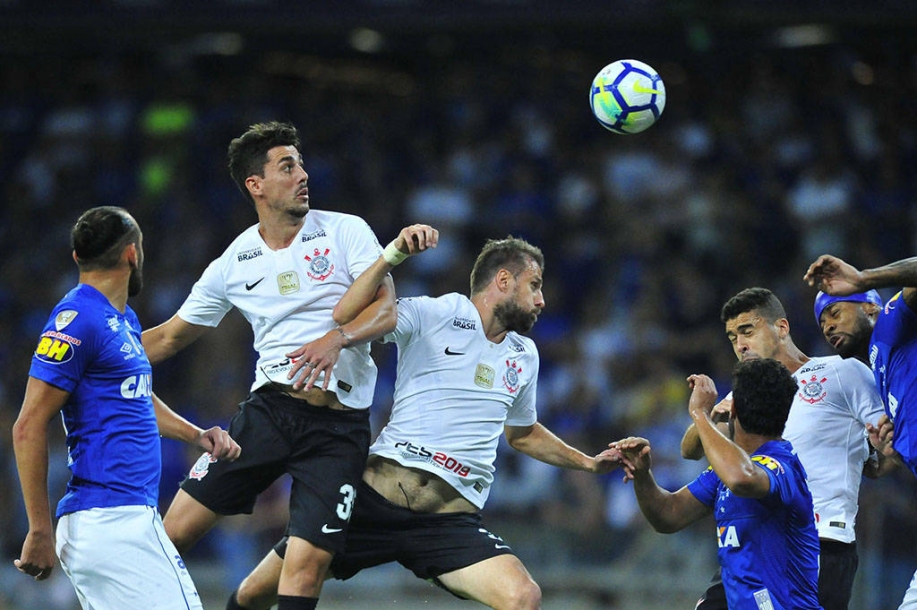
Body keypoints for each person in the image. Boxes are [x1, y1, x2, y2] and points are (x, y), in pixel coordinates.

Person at [225, 236, 623, 610]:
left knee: (523, 597)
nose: (541, 299)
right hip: (370, 505)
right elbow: (355, 312)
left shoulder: (525, 355)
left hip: (447, 524)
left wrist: (586, 462)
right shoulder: (438, 312)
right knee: (253, 595)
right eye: (534, 285)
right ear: (503, 280)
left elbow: (522, 433)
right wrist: (388, 263)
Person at [140, 120, 439, 610]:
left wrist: (337, 339)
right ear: (255, 185)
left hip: (338, 430)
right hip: (267, 415)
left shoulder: (345, 231)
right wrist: (100, 353)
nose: (302, 174)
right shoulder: (235, 261)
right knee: (170, 535)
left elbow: (387, 310)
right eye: (287, 166)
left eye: (300, 163)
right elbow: (171, 336)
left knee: (305, 569)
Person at [12, 206, 241, 609]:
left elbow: (131, 395)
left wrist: (195, 434)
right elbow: (28, 425)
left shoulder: (120, 319)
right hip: (114, 519)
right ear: (132, 254)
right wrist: (38, 530)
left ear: (77, 258)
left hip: (118, 520)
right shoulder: (77, 319)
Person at [680, 287, 887, 610]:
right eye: (733, 337)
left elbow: (888, 451)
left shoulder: (842, 372)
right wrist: (705, 415)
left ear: (781, 327)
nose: (740, 345)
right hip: (755, 539)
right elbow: (690, 450)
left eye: (747, 331)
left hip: (820, 542)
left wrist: (877, 455)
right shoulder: (747, 396)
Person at [616, 359, 822, 609]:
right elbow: (668, 515)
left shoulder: (783, 467)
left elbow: (741, 478)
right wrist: (642, 475)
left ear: (732, 409)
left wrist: (700, 414)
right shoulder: (724, 472)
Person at [805, 253, 917, 609]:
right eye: (822, 322)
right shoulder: (882, 374)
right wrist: (893, 452)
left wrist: (866, 278)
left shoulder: (891, 325)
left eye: (835, 312)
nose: (828, 327)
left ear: (870, 308)